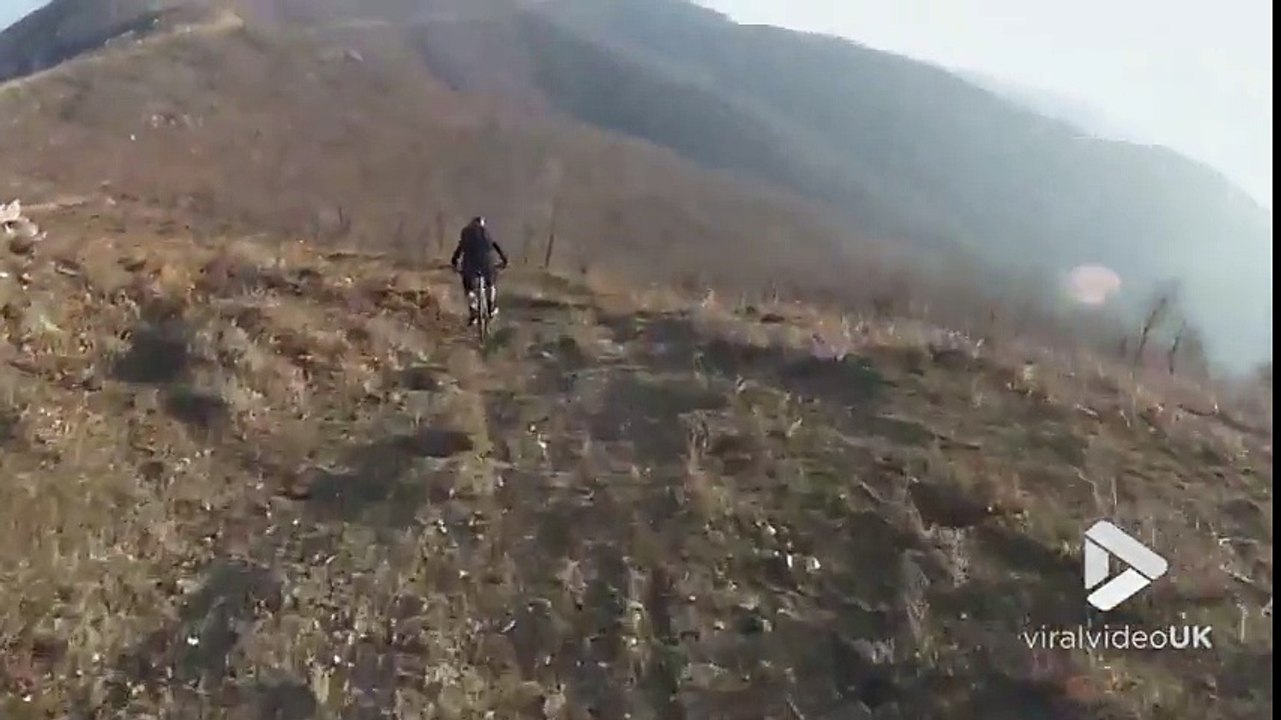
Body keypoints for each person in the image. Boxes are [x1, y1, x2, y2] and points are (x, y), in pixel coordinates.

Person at [450, 216, 509, 324]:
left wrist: (454, 262)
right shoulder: (486, 233)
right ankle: (491, 308)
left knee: (469, 288)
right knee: (490, 284)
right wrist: (504, 260)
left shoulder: (466, 233)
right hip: (487, 263)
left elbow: (460, 249)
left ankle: (474, 313)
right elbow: (496, 246)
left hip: (470, 264)